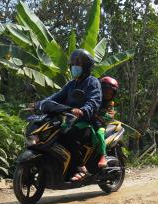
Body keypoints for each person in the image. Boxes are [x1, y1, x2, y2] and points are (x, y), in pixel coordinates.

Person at [37, 49, 101, 181]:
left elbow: (94, 101)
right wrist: (40, 103)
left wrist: (83, 110)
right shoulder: (71, 84)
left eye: (78, 64)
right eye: (72, 64)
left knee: (68, 134)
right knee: (54, 133)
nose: (74, 67)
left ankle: (81, 168)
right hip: (70, 120)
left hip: (87, 122)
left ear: (86, 67)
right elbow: (56, 97)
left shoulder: (92, 82)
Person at [93, 76, 119, 169]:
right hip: (90, 121)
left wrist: (97, 115)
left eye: (110, 92)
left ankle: (103, 156)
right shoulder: (95, 98)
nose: (108, 93)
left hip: (101, 125)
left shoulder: (110, 103)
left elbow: (109, 116)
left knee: (100, 134)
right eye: (106, 91)